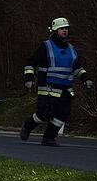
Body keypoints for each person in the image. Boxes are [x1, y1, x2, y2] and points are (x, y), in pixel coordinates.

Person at [20, 17, 92, 147]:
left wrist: (85, 78)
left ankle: (48, 138)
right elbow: (30, 63)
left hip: (65, 89)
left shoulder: (72, 49)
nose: (65, 31)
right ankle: (28, 126)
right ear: (55, 31)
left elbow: (77, 68)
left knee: (62, 115)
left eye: (66, 29)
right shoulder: (45, 46)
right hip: (47, 88)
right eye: (61, 29)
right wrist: (29, 78)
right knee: (43, 114)